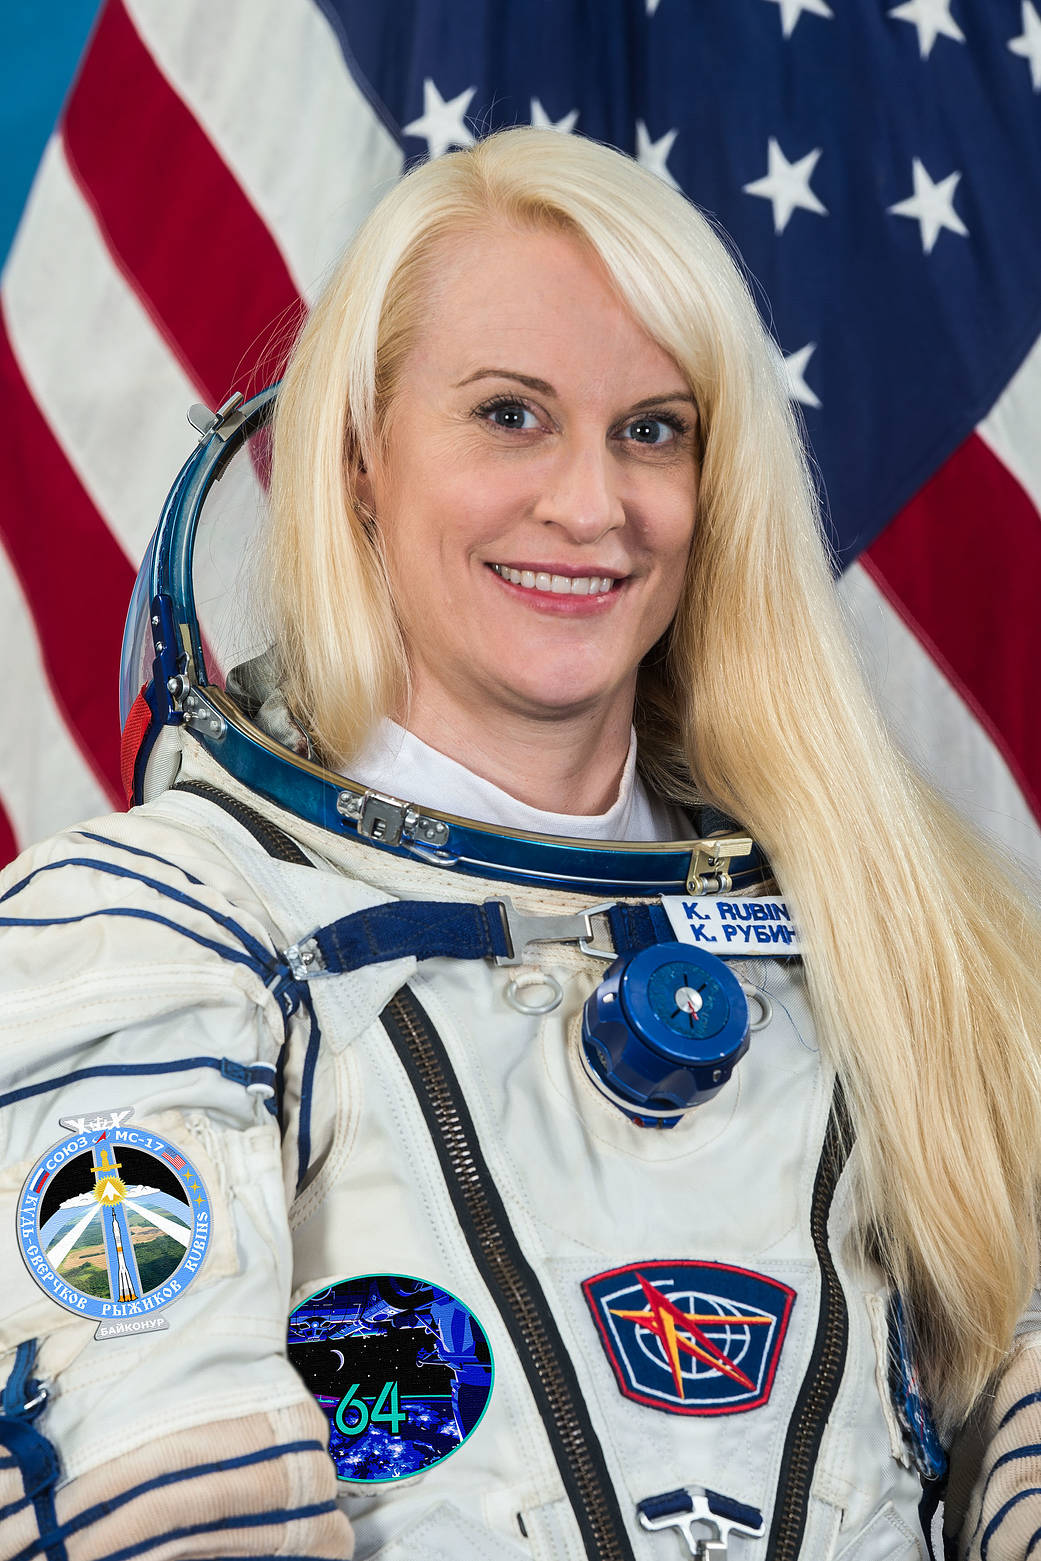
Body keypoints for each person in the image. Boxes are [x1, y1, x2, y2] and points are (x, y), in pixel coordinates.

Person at [0, 126, 1039, 1561]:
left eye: (652, 430)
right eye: (509, 414)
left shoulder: (901, 952)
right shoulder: (152, 944)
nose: (590, 506)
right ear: (357, 460)